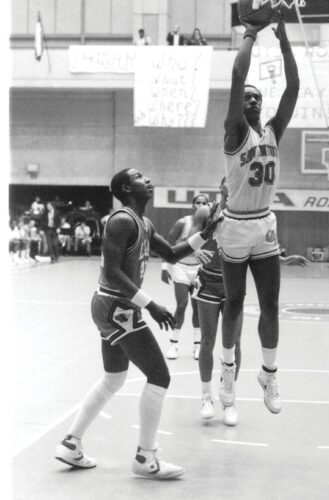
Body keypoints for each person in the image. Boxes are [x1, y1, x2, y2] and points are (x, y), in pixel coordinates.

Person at [54, 168, 220, 479]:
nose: (149, 179)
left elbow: (171, 252)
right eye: (141, 176)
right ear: (127, 188)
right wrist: (151, 305)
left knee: (113, 380)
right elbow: (114, 271)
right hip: (116, 306)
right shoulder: (121, 220)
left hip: (115, 308)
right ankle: (145, 458)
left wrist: (205, 234)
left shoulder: (143, 223)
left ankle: (70, 444)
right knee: (159, 375)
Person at [215, 10, 299, 416]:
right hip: (234, 226)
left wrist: (284, 42)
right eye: (248, 96)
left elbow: (294, 88)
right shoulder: (234, 131)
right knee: (234, 304)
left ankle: (269, 372)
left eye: (257, 97)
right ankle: (227, 368)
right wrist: (250, 34)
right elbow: (236, 78)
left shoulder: (272, 132)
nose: (252, 99)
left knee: (271, 305)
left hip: (264, 223)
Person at [188, 179, 240, 426]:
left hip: (233, 284)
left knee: (233, 343)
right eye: (229, 182)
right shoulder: (205, 211)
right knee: (207, 341)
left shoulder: (245, 212)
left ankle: (229, 401)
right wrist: (196, 250)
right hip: (208, 281)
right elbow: (190, 239)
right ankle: (206, 397)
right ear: (221, 186)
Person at [161, 195, 211, 360]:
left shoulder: (210, 225)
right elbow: (168, 244)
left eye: (205, 203)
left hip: (199, 269)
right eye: (198, 202)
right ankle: (174, 344)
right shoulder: (183, 223)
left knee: (197, 308)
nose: (201, 205)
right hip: (181, 267)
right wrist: (164, 267)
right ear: (192, 205)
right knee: (181, 305)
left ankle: (197, 346)